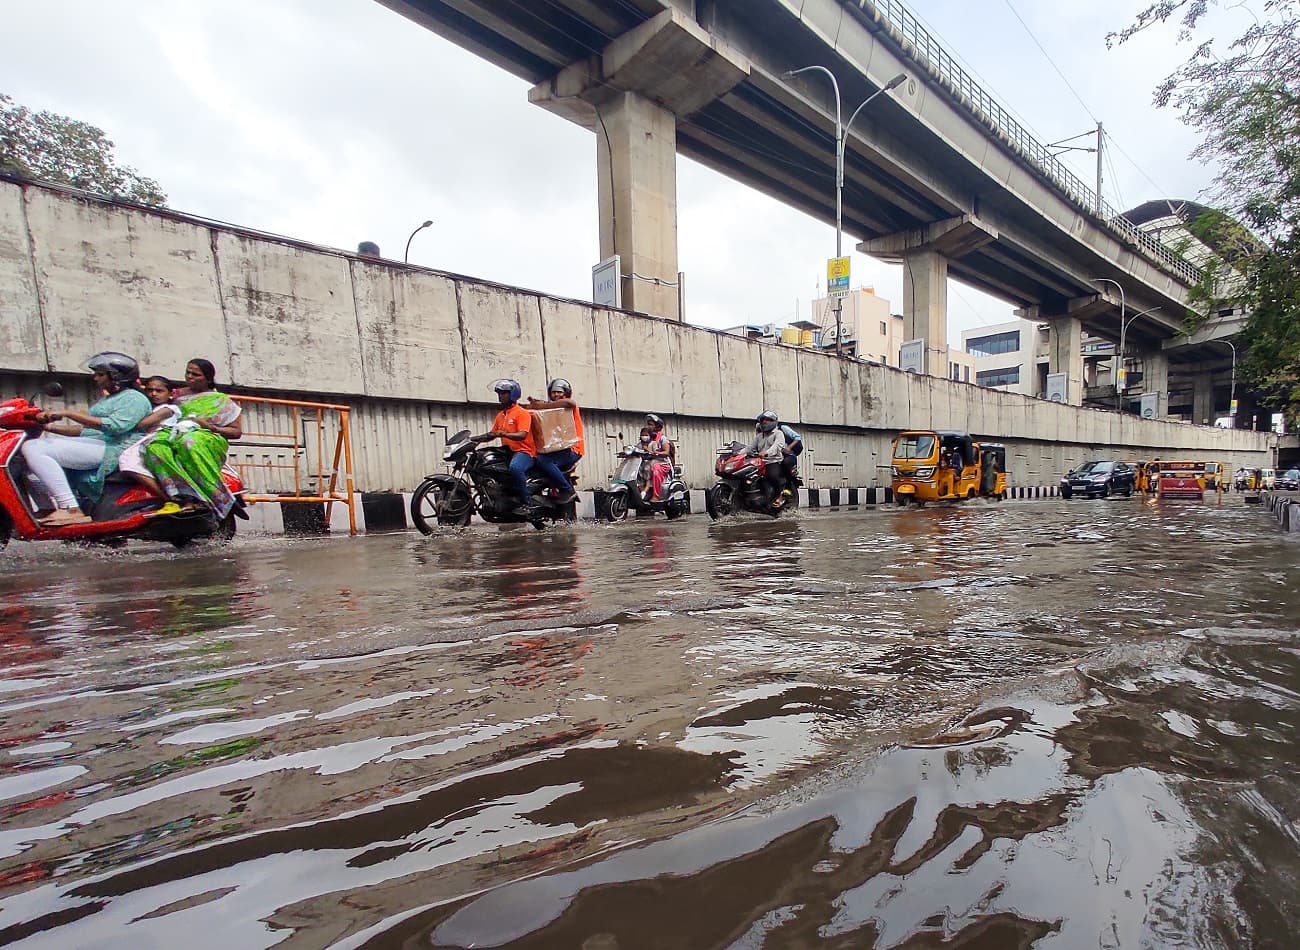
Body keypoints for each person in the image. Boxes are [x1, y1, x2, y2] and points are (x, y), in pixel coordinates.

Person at [22, 352, 151, 526]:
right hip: (100, 444)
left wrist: (68, 412)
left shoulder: (135, 398)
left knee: (33, 447)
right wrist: (49, 427)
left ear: (116, 377)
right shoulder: (109, 399)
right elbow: (87, 431)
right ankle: (49, 507)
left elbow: (115, 426)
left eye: (100, 374)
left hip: (115, 448)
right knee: (24, 455)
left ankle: (70, 508)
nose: (95, 377)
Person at [141, 359, 243, 518]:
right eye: (188, 372)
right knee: (154, 446)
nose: (190, 377)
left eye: (195, 374)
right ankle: (179, 496)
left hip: (206, 436)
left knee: (188, 442)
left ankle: (218, 498)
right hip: (174, 433)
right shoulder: (176, 395)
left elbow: (236, 432)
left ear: (208, 378)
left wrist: (209, 427)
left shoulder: (220, 400)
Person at [472, 378, 536, 515]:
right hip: (508, 451)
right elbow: (493, 434)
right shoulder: (501, 415)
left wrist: (505, 434)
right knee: (483, 462)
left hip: (524, 451)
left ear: (513, 394)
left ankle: (527, 504)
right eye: (499, 393)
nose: (501, 396)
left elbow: (522, 435)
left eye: (504, 393)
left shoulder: (522, 413)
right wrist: (474, 440)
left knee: (515, 468)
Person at [116, 376, 182, 496]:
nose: (153, 394)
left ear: (170, 393)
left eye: (159, 391)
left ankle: (167, 497)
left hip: (158, 439)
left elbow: (142, 424)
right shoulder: (150, 408)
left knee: (127, 461)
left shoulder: (169, 409)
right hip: (147, 439)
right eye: (149, 390)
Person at [525, 378, 582, 504]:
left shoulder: (569, 406)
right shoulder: (554, 409)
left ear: (566, 393)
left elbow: (569, 403)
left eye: (559, 392)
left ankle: (567, 490)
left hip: (574, 449)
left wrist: (541, 405)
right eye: (553, 392)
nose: (556, 395)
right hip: (557, 448)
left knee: (543, 461)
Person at [745, 410, 789, 506]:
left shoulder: (778, 433)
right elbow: (750, 448)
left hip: (773, 461)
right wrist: (739, 453)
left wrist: (767, 453)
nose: (765, 422)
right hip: (759, 462)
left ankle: (780, 495)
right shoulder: (759, 436)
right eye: (763, 420)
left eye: (768, 420)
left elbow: (777, 446)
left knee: (772, 476)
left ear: (773, 421)